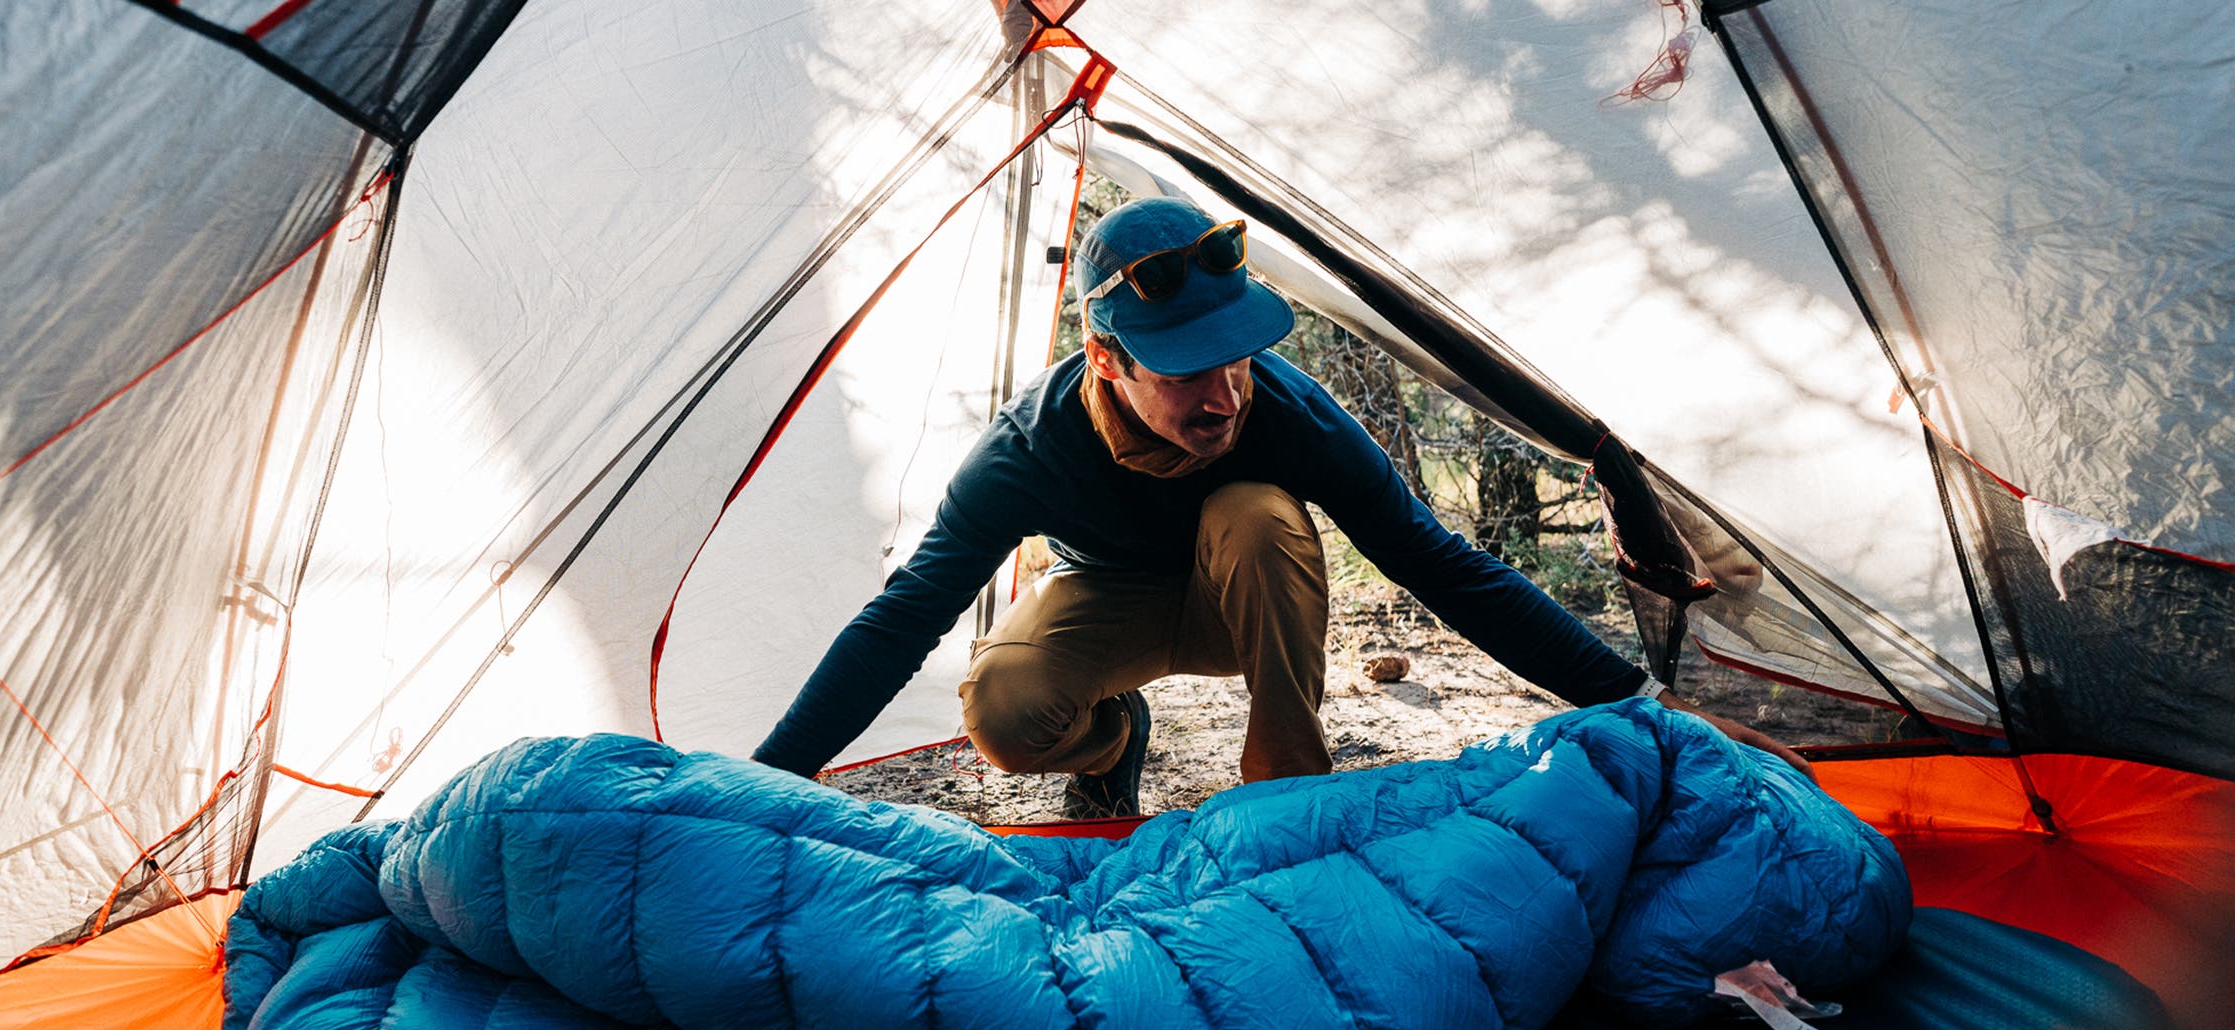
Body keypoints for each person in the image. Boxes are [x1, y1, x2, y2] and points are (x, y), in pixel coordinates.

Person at [753, 196, 1808, 814]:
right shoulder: (1029, 455)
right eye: (1183, 372)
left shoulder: (1289, 416)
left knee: (1254, 513)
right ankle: (1112, 750)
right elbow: (905, 614)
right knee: (1005, 711)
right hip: (1110, 600)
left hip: (1245, 599)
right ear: (1106, 359)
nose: (1222, 395)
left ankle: (1286, 797)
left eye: (1237, 359)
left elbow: (1438, 562)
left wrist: (1641, 703)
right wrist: (768, 786)